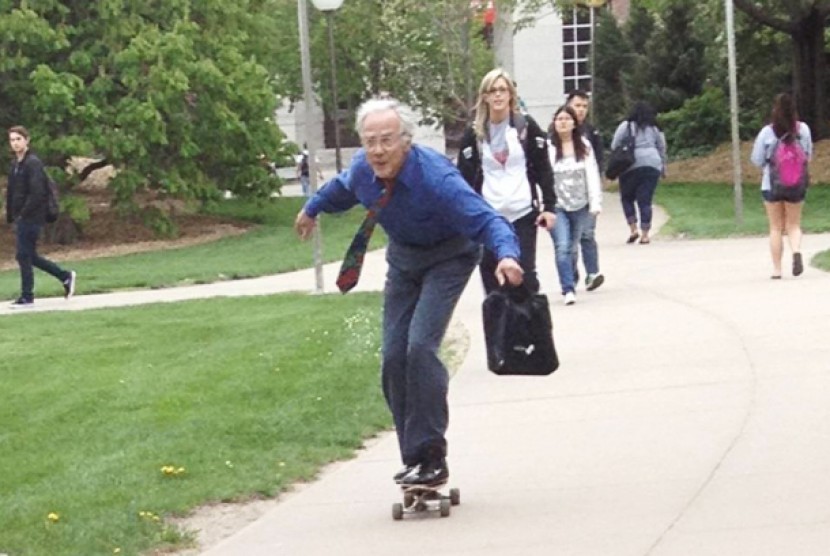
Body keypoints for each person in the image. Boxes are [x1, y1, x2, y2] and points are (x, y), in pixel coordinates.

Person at [294, 98, 524, 486]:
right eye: (370, 141)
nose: (378, 150)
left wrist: (507, 255)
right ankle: (415, 457)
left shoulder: (436, 178)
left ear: (406, 141)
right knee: (394, 357)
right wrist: (312, 208)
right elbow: (342, 189)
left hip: (449, 257)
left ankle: (433, 453)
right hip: (404, 262)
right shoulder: (364, 171)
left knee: (420, 348)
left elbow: (487, 219)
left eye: (386, 140)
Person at [457, 68, 555, 294]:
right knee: (493, 283)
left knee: (525, 276)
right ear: (485, 97)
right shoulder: (475, 134)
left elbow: (543, 168)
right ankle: (497, 329)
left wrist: (549, 206)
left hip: (522, 213)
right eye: (493, 91)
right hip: (489, 217)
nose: (498, 95)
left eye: (503, 90)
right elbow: (463, 179)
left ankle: (529, 327)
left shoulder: (526, 127)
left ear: (511, 94)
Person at [6, 126, 76, 307]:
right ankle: (65, 276)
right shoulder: (15, 165)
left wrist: (23, 214)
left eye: (18, 139)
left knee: (23, 255)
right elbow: (12, 192)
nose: (15, 143)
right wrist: (10, 215)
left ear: (27, 140)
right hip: (20, 216)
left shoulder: (33, 163)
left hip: (32, 216)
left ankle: (27, 295)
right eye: (12, 140)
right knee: (29, 255)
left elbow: (37, 193)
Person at [750, 93, 812, 279]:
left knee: (775, 227)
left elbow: (757, 159)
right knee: (793, 225)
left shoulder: (767, 132)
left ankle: (777, 270)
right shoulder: (803, 130)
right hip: (796, 185)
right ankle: (796, 252)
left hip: (772, 184)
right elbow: (808, 155)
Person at [547, 106, 602, 306]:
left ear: (574, 123)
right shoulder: (549, 148)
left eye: (566, 118)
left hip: (580, 205)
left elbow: (592, 175)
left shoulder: (584, 146)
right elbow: (543, 179)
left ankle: (571, 272)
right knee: (562, 246)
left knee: (572, 247)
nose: (562, 122)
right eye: (559, 118)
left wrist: (595, 203)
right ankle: (568, 288)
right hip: (557, 206)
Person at [610, 101, 667, 244]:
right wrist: (663, 168)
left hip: (630, 165)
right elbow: (662, 148)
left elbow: (614, 144)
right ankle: (645, 234)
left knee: (627, 198)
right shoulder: (655, 128)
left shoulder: (626, 126)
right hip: (652, 164)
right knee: (645, 200)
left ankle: (633, 229)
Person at [566, 90, 605, 291]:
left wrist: (597, 191)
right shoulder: (558, 129)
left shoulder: (591, 132)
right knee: (570, 241)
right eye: (577, 105)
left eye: (584, 106)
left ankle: (593, 272)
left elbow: (598, 161)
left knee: (587, 234)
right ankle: (570, 273)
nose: (581, 110)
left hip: (587, 192)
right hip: (566, 195)